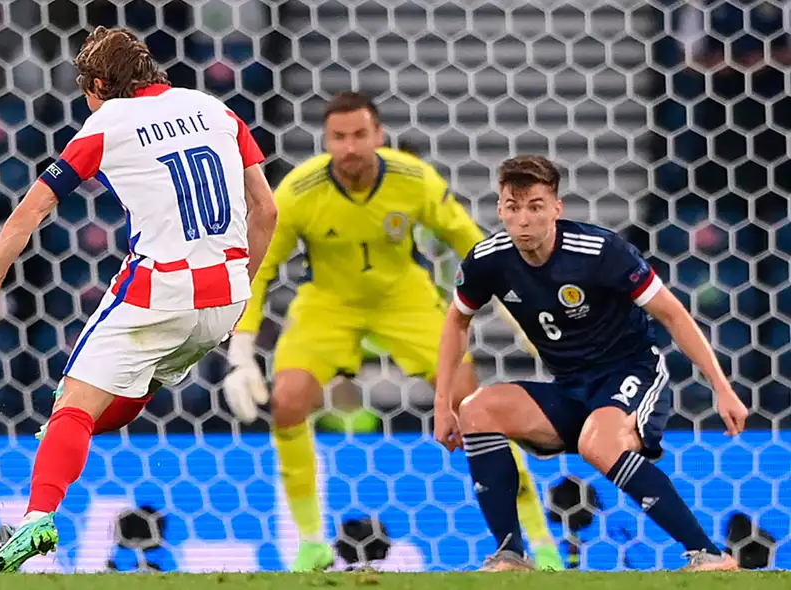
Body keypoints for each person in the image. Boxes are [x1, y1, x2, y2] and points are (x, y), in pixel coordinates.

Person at [0, 26, 278, 572]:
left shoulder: (105, 122)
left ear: (100, 84)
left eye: (85, 88)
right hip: (226, 293)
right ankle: (67, 432)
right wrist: (244, 281)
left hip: (161, 286)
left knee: (74, 403)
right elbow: (266, 210)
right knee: (137, 379)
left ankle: (38, 514)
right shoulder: (216, 109)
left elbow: (33, 208)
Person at [222, 92, 563, 571]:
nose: (350, 147)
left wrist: (527, 317)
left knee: (475, 408)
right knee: (288, 400)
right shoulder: (299, 191)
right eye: (339, 137)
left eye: (360, 135)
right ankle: (311, 544)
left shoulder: (413, 179)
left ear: (378, 136)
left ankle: (538, 542)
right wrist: (240, 351)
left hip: (405, 299)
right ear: (326, 141)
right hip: (328, 304)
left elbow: (473, 245)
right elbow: (261, 269)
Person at [435, 155, 749, 572]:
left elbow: (672, 314)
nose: (523, 220)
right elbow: (457, 320)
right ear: (500, 210)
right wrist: (443, 404)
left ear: (556, 209)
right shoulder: (487, 260)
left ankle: (708, 553)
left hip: (631, 372)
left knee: (597, 443)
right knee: (477, 409)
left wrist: (721, 388)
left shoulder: (600, 251)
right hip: (570, 387)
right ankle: (510, 555)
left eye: (535, 206)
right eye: (513, 207)